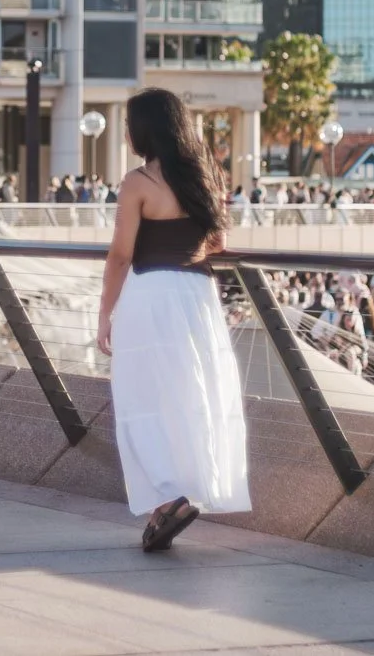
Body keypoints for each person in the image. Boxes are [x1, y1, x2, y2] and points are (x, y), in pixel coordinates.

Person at [95, 87, 249, 551]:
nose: (126, 134)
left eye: (129, 125)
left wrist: (104, 314)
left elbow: (120, 255)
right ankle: (178, 496)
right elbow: (218, 243)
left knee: (142, 396)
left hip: (150, 292)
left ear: (145, 130)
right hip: (196, 295)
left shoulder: (138, 182)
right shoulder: (206, 174)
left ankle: (166, 497)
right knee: (190, 393)